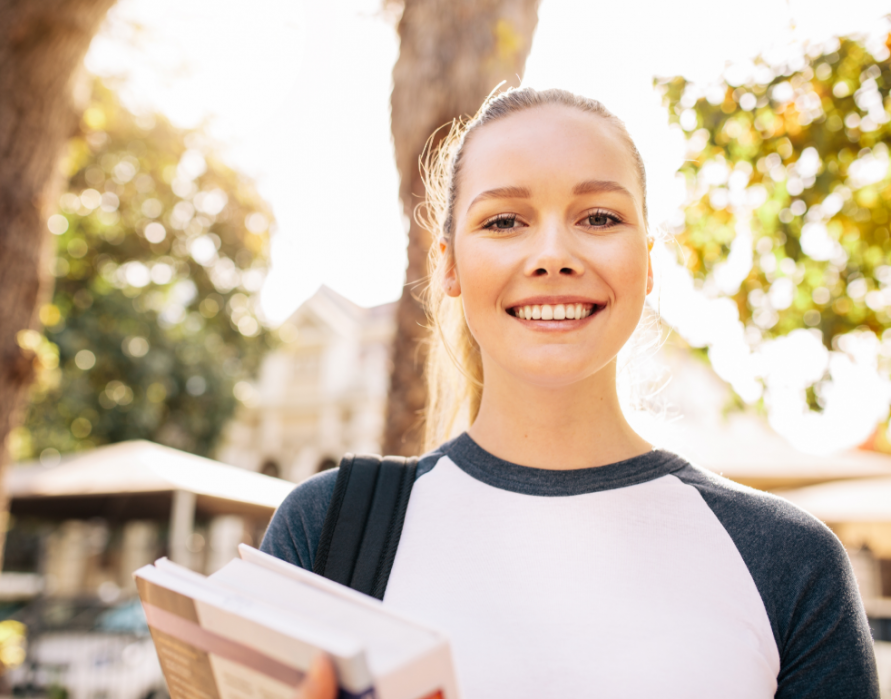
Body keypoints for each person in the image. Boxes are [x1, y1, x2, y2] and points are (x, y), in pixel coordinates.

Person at [263, 88, 879, 699]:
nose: (553, 255)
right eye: (504, 221)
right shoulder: (326, 530)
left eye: (599, 218)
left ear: (647, 261)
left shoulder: (791, 561)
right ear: (447, 262)